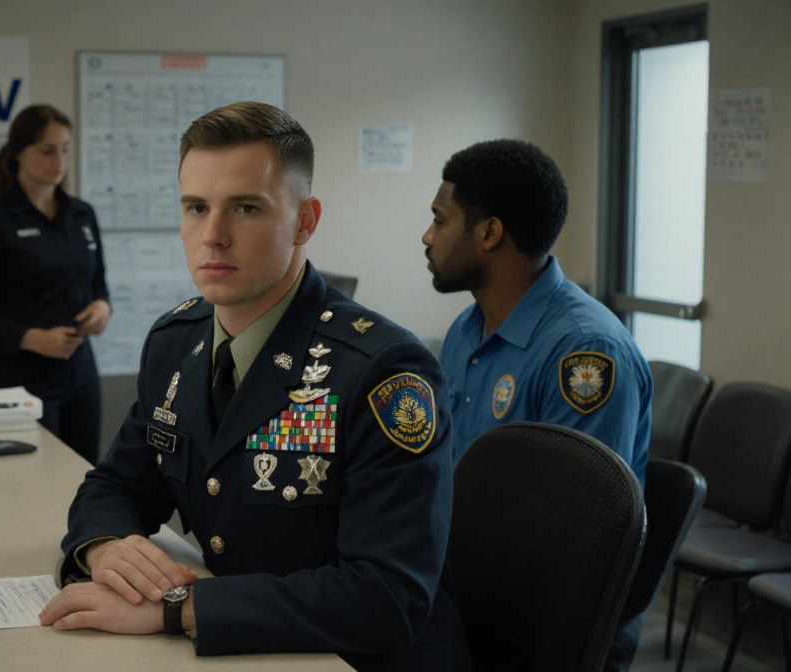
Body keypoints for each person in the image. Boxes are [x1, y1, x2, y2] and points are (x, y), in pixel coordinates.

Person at [37, 102, 470, 671]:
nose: (212, 236)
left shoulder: (382, 373)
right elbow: (117, 483)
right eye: (196, 208)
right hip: (245, 653)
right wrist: (106, 548)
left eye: (245, 208)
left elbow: (386, 597)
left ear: (305, 220)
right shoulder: (175, 343)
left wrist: (180, 606)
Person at [423, 138, 652, 671]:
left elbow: (575, 537)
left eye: (440, 219)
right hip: (468, 583)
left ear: (489, 233)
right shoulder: (469, 328)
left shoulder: (585, 353)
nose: (428, 236)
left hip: (541, 617)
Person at [0, 104, 110, 464]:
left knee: (86, 477)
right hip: (21, 378)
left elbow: (100, 285)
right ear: (18, 154)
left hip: (81, 374)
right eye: (47, 150)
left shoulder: (82, 214)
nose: (59, 159)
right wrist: (32, 339)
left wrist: (102, 308)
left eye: (66, 149)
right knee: (32, 485)